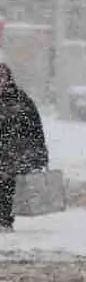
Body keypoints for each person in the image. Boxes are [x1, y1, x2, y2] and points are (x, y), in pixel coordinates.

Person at [0, 63, 49, 233]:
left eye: (2, 77)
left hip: (12, 154)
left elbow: (35, 128)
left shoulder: (21, 100)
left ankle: (4, 221)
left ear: (8, 79)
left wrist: (40, 154)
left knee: (6, 186)